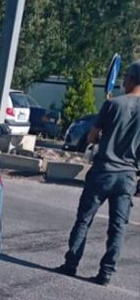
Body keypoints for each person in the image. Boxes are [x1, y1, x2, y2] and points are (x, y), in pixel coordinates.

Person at [56, 60, 140, 285]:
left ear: (130, 79)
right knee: (117, 226)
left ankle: (71, 263)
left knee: (84, 219)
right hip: (128, 176)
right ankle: (106, 273)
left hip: (103, 171)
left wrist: (105, 138)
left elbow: (92, 137)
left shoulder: (113, 105)